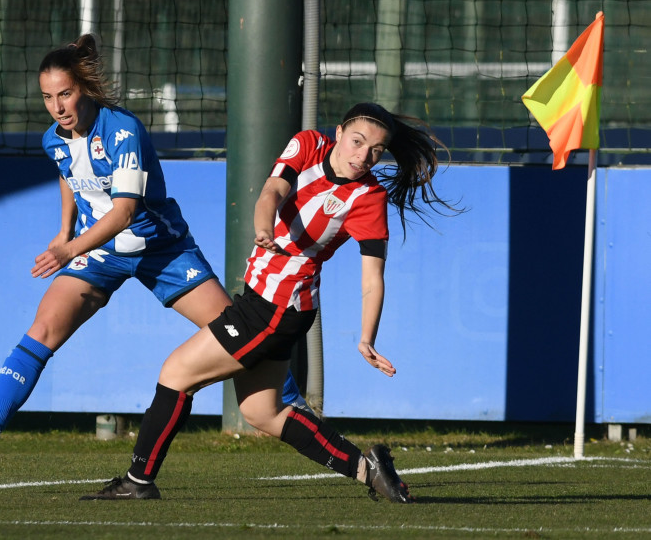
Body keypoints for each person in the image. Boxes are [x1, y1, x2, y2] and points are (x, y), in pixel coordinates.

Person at [0, 34, 307, 467]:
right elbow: (67, 174)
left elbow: (123, 214)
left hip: (162, 248)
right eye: (48, 97)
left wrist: (67, 251)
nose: (58, 107)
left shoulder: (122, 130)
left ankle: (298, 412)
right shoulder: (53, 139)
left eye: (65, 94)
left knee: (237, 335)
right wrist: (64, 232)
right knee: (42, 330)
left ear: (85, 89)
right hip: (98, 252)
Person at [81, 102, 460, 503]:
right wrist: (264, 225)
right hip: (272, 305)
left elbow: (372, 278)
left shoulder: (368, 198)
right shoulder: (308, 144)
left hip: (277, 309)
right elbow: (272, 191)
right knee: (264, 413)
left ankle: (138, 481)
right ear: (338, 132)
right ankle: (371, 471)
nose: (362, 156)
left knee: (176, 373)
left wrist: (366, 338)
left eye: (375, 151)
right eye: (357, 141)